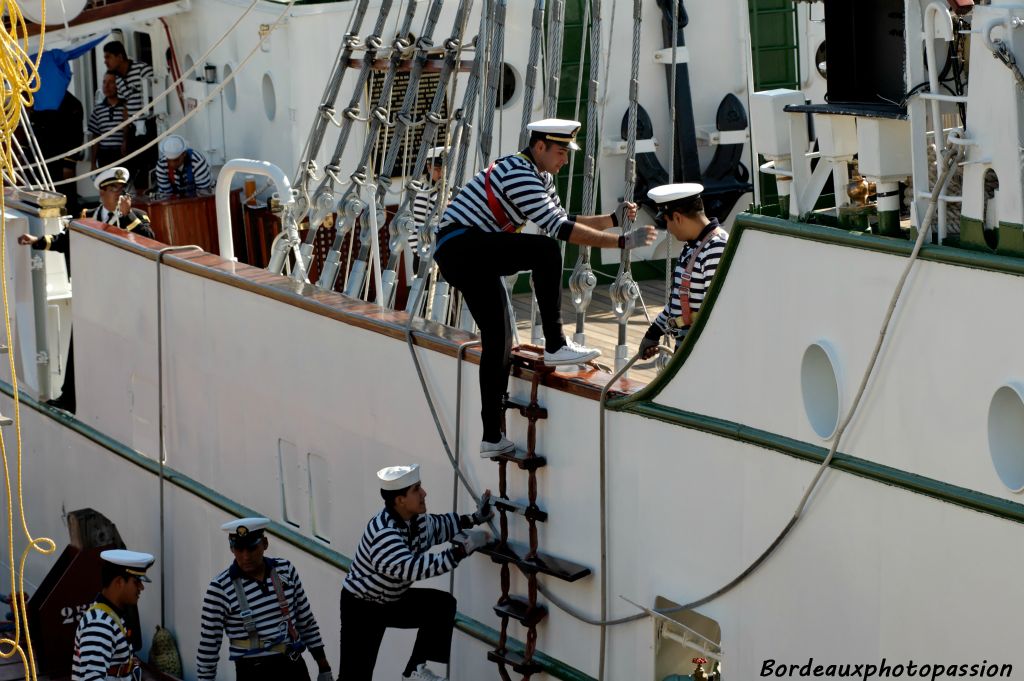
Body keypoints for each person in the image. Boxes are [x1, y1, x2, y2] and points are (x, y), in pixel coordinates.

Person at [435, 118, 656, 455]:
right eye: (561, 150)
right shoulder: (519, 173)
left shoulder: (541, 178)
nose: (565, 158)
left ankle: (491, 437)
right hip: (463, 246)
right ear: (539, 147)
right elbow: (559, 229)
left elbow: (566, 220)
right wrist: (623, 242)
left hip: (463, 253)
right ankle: (555, 343)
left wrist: (612, 221)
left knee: (499, 341)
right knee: (547, 250)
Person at [17, 167, 155, 413]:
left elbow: (148, 241)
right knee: (79, 345)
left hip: (121, 297)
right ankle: (69, 398)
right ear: (102, 192)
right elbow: (65, 240)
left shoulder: (137, 217)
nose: (120, 194)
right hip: (93, 294)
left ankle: (127, 402)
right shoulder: (87, 216)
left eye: (122, 190)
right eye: (114, 190)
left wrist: (127, 217)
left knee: (124, 349)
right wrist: (37, 241)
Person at [338, 464, 492, 681]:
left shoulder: (416, 521)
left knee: (442, 605)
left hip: (391, 600)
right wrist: (463, 550)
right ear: (400, 500)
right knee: (355, 678)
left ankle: (414, 672)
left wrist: (475, 517)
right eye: (416, 489)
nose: (424, 493)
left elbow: (441, 526)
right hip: (362, 608)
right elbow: (414, 568)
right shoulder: (384, 534)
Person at [196, 517, 333, 681]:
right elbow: (208, 647)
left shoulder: (285, 571)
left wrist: (323, 666)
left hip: (293, 666)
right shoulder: (220, 588)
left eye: (252, 548)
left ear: (265, 544)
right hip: (253, 672)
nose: (246, 556)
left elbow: (306, 621)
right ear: (232, 549)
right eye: (239, 549)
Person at [638, 183, 729, 359]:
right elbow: (680, 301)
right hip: (687, 346)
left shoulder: (716, 248)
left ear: (678, 217)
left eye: (667, 221)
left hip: (702, 352)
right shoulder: (693, 247)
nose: (669, 229)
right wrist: (654, 331)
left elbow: (715, 311)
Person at [71, 549, 154, 681]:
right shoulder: (99, 623)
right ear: (119, 582)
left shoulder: (112, 616)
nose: (141, 587)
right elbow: (92, 678)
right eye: (136, 582)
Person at [103, 41, 155, 191]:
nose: (106, 62)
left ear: (119, 56)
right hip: (133, 129)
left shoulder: (142, 70)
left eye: (108, 57)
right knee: (132, 166)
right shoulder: (118, 79)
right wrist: (125, 138)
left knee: (146, 166)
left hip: (148, 126)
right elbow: (126, 108)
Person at [410, 145, 451, 264]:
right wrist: (431, 260)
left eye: (444, 170)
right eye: (437, 170)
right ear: (428, 167)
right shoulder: (422, 193)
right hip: (428, 261)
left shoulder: (448, 192)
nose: (441, 174)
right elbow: (414, 232)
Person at [89, 72, 128, 171]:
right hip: (104, 156)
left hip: (122, 154)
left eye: (111, 82)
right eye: (104, 82)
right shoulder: (98, 110)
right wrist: (93, 163)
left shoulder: (126, 107)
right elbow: (95, 138)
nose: (106, 86)